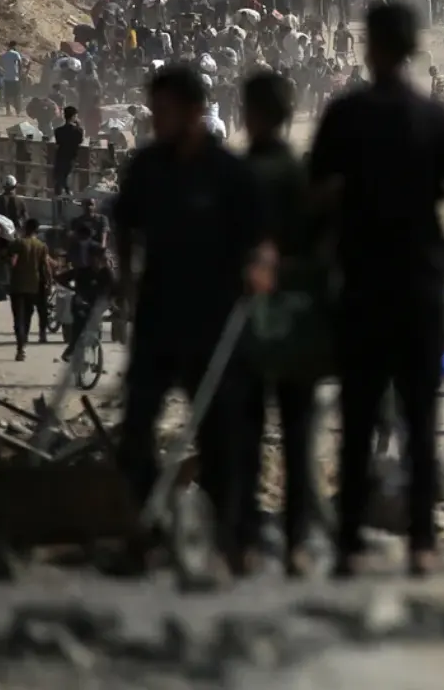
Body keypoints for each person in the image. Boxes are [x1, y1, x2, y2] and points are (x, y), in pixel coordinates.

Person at [311, 1, 444, 578]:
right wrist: (427, 185)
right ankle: (421, 544)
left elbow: (314, 191)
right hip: (418, 285)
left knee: (359, 415)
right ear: (415, 47)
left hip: (361, 283)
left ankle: (346, 544)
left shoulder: (345, 115)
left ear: (370, 46)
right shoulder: (430, 119)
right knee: (420, 421)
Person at [113, 64, 275, 576]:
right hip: (159, 318)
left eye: (165, 111)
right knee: (135, 429)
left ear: (195, 111)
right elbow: (123, 222)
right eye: (154, 110)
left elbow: (262, 239)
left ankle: (233, 539)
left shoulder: (230, 173)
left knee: (222, 436)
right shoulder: (147, 168)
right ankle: (146, 530)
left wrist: (260, 269)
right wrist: (125, 277)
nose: (157, 120)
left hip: (216, 321)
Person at [237, 70, 326, 575]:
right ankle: (295, 541)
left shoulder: (237, 174)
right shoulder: (301, 176)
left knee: (248, 435)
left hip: (253, 325)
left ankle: (247, 539)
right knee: (297, 437)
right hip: (297, 329)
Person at [7, 217, 53, 359]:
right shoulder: (41, 246)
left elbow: (10, 261)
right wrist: (49, 282)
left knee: (18, 318)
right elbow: (45, 267)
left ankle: (20, 347)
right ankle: (23, 344)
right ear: (37, 230)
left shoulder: (18, 243)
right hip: (33, 286)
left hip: (17, 285)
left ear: (25, 228)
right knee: (27, 317)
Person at [52, 106, 84, 195]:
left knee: (59, 182)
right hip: (71, 159)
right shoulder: (78, 131)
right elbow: (80, 141)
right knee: (68, 183)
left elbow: (58, 142)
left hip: (59, 158)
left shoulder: (58, 131)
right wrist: (78, 126)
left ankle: (58, 202)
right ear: (74, 116)